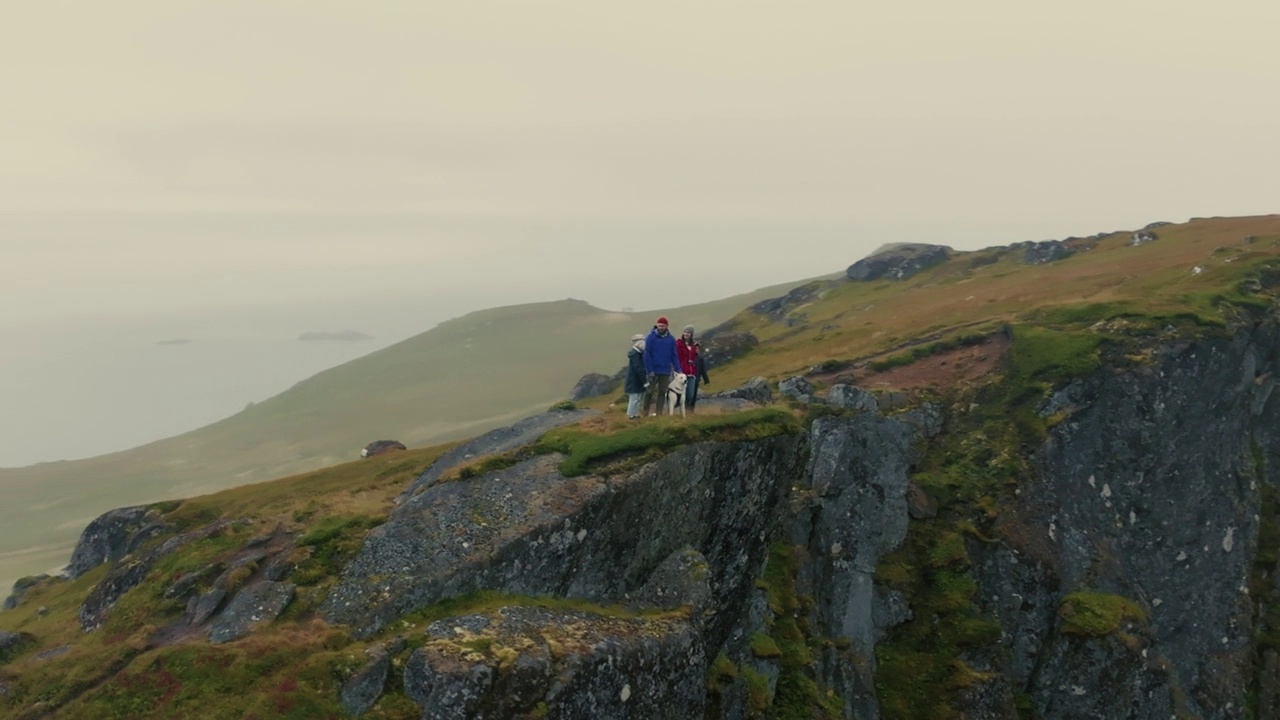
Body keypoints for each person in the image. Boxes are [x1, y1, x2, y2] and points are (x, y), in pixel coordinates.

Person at [643, 316, 682, 416]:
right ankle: (644, 413)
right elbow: (647, 354)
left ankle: (659, 414)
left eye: (662, 326)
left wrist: (678, 369)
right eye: (659, 325)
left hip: (665, 370)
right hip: (653, 370)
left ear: (666, 326)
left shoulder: (671, 339)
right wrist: (649, 370)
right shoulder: (650, 337)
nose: (660, 327)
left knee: (662, 392)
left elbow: (674, 355)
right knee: (649, 392)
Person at [676, 326, 702, 414]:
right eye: (685, 332)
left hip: (692, 373)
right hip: (682, 373)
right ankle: (681, 413)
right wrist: (678, 370)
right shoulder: (678, 344)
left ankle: (686, 412)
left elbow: (694, 358)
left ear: (691, 334)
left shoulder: (693, 345)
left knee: (690, 395)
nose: (686, 334)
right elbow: (677, 358)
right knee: (681, 394)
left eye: (688, 332)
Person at [624, 333, 647, 419]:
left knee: (637, 399)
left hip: (637, 380)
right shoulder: (635, 354)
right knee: (634, 399)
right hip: (634, 380)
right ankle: (630, 416)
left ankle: (635, 414)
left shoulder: (638, 354)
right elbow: (638, 368)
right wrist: (644, 381)